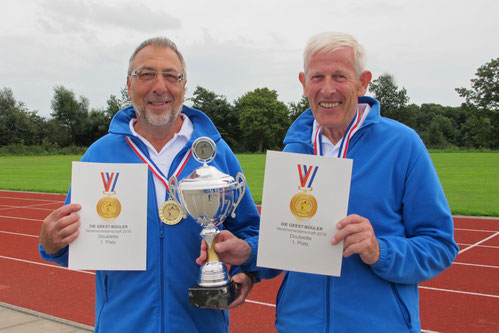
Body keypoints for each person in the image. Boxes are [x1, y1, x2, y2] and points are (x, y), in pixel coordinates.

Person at [39, 37, 260, 333]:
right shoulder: (100, 154)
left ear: (184, 86)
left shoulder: (216, 153)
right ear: (129, 85)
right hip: (123, 325)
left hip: (199, 325)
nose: (159, 86)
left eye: (171, 76)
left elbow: (250, 232)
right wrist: (52, 244)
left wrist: (248, 268)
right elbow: (74, 246)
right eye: (146, 75)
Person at [267, 32, 459, 332]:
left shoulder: (403, 145)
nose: (327, 89)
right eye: (317, 77)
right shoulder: (294, 148)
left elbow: (440, 244)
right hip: (298, 323)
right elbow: (282, 243)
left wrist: (379, 250)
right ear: (304, 82)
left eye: (339, 76)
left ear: (363, 81)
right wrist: (245, 254)